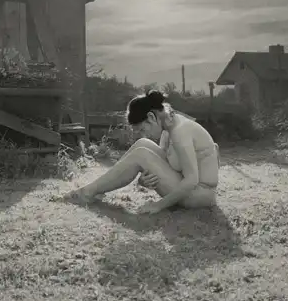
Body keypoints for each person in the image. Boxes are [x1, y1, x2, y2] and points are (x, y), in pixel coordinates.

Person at [60, 90, 220, 214]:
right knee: (142, 144)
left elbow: (192, 180)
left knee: (141, 154)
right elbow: (166, 163)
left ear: (151, 117)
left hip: (199, 194)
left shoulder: (180, 132)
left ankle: (88, 193)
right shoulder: (169, 124)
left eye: (143, 129)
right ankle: (98, 189)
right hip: (189, 187)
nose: (145, 134)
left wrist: (158, 206)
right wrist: (143, 180)